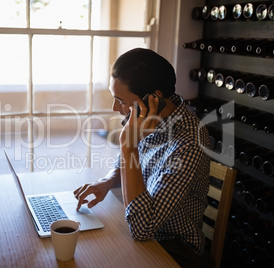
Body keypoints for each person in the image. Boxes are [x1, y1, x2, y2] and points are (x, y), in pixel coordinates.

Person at [74, 48, 213, 268]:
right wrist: (108, 181)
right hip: (144, 235)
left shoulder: (190, 141)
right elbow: (133, 166)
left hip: (174, 250)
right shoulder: (149, 115)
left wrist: (128, 146)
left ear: (154, 98)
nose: (115, 108)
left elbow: (142, 229)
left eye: (121, 100)